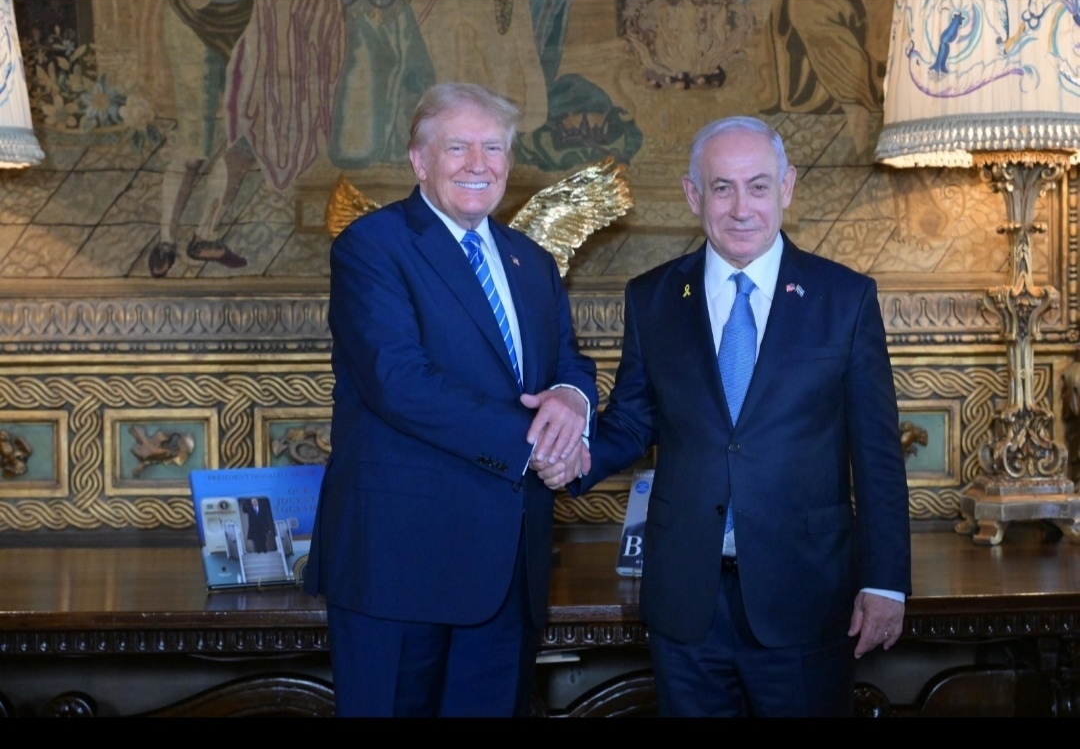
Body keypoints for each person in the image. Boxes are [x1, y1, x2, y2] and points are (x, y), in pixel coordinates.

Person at [538, 115, 911, 717]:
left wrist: (886, 580)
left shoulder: (845, 298)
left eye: (758, 186)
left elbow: (878, 456)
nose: (742, 208)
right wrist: (573, 458)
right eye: (722, 188)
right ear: (694, 195)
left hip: (806, 595)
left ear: (786, 187)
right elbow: (633, 420)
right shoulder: (653, 297)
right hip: (687, 601)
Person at [304, 82, 598, 717]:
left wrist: (572, 405)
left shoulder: (531, 262)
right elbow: (398, 382)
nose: (478, 164)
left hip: (509, 572)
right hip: (400, 566)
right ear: (419, 160)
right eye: (458, 147)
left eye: (493, 148)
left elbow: (568, 364)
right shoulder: (372, 246)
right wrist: (540, 446)